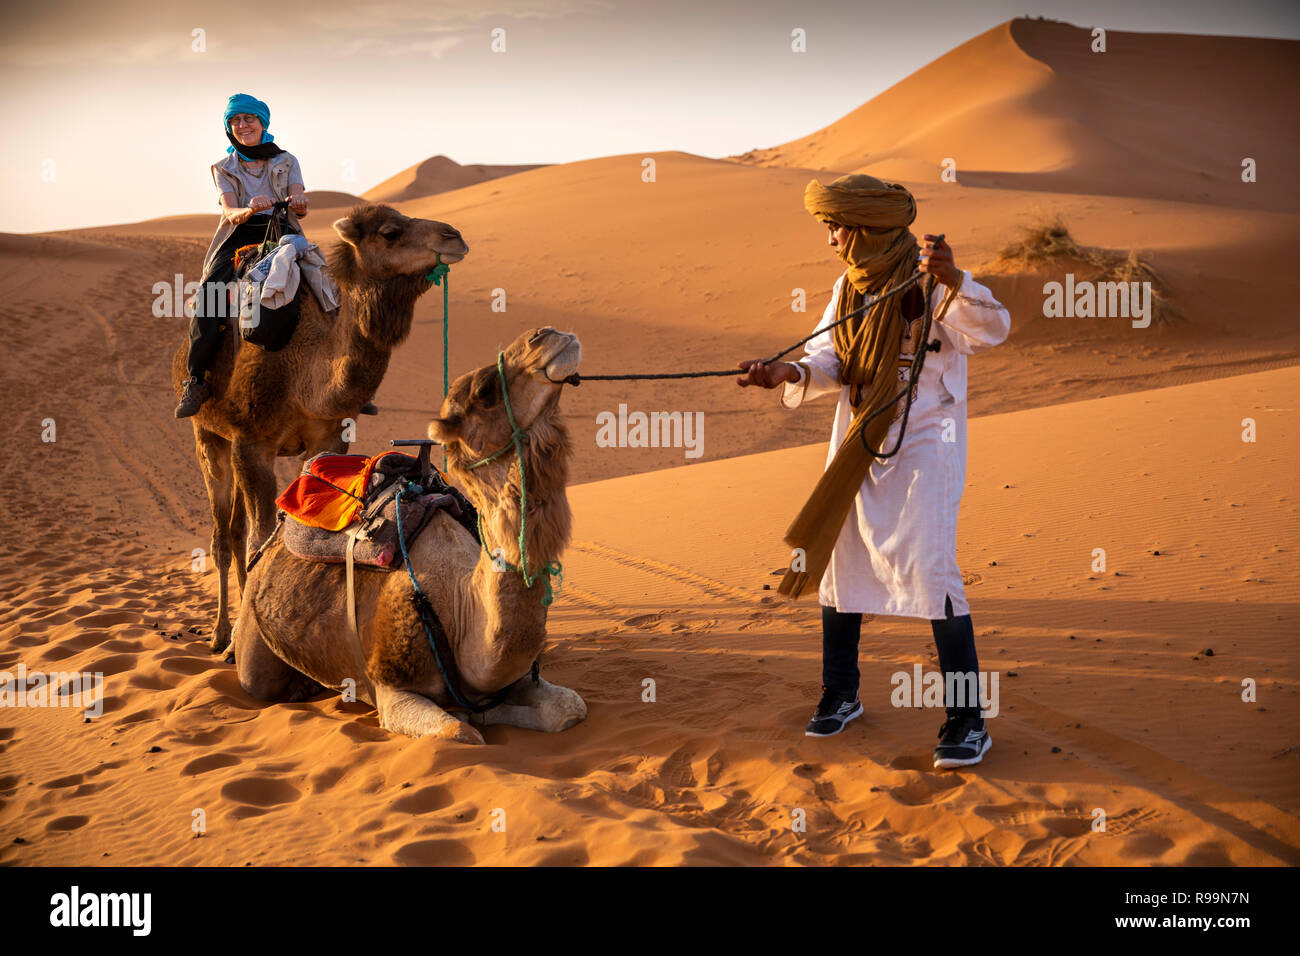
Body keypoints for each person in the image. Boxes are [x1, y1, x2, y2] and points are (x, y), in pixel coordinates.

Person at [737, 174, 1011, 769]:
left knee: (934, 570)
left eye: (835, 226)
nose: (831, 238)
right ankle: (842, 692)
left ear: (864, 228)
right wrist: (787, 374)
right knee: (841, 561)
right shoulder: (849, 286)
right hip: (861, 435)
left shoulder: (933, 277)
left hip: (926, 445)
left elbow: (992, 329)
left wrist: (956, 279)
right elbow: (832, 358)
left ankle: (967, 721)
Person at [175, 93, 310, 418]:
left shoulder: (287, 160)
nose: (242, 125)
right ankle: (196, 380)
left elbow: (299, 200)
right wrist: (248, 208)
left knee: (325, 287)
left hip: (282, 231)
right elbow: (229, 211)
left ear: (262, 122)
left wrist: (299, 204)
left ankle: (346, 382)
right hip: (239, 234)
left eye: (248, 118)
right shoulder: (223, 167)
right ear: (229, 128)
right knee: (210, 295)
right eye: (235, 121)